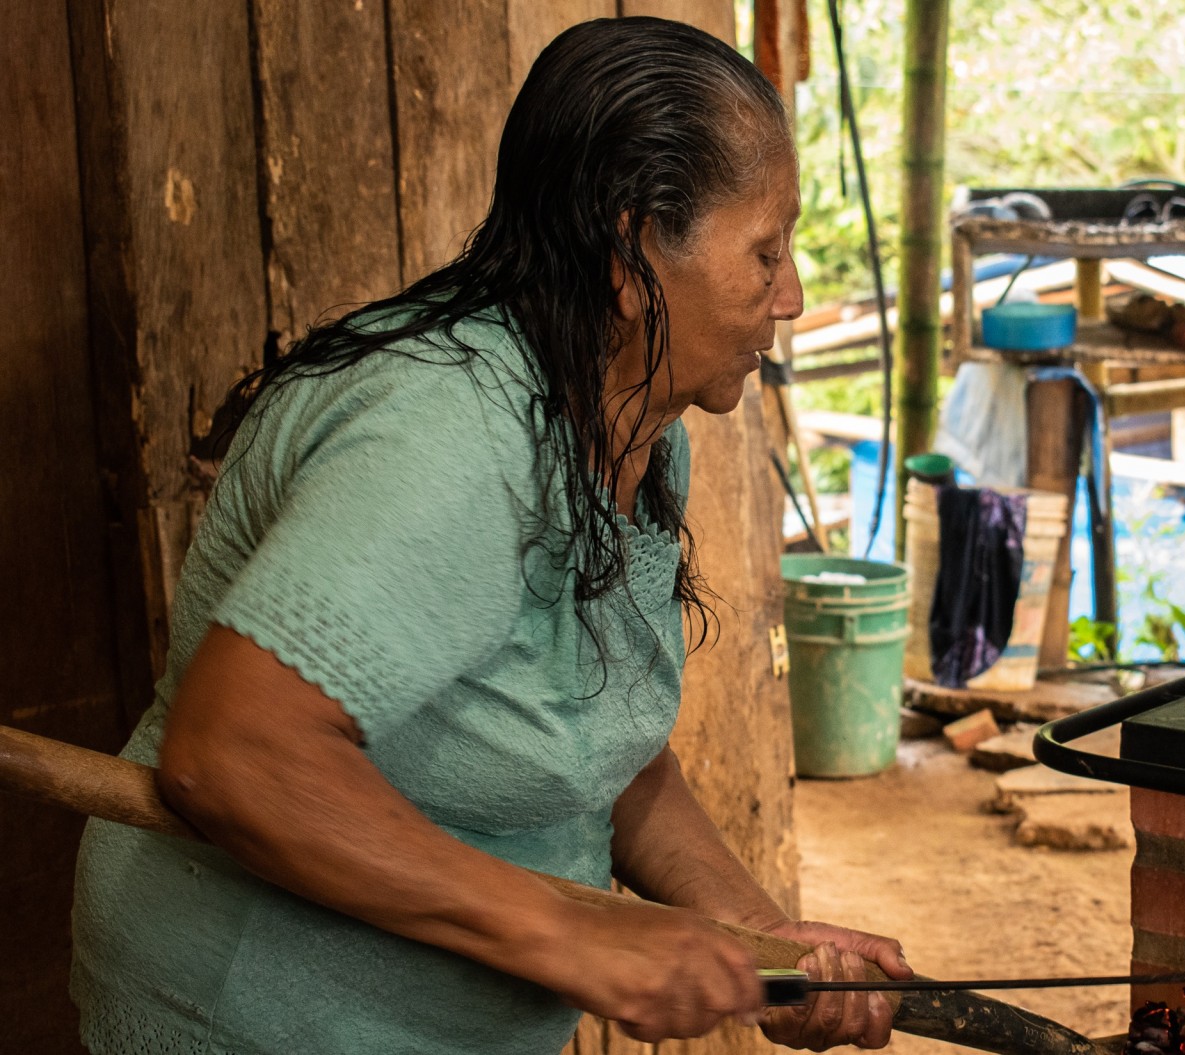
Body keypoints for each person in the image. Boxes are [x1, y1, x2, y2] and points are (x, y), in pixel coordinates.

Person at [69, 17, 909, 1055]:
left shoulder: (634, 416)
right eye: (764, 251)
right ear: (633, 244)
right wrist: (568, 933)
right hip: (256, 1010)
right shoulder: (444, 430)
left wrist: (764, 941)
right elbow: (235, 755)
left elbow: (606, 760)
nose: (787, 297)